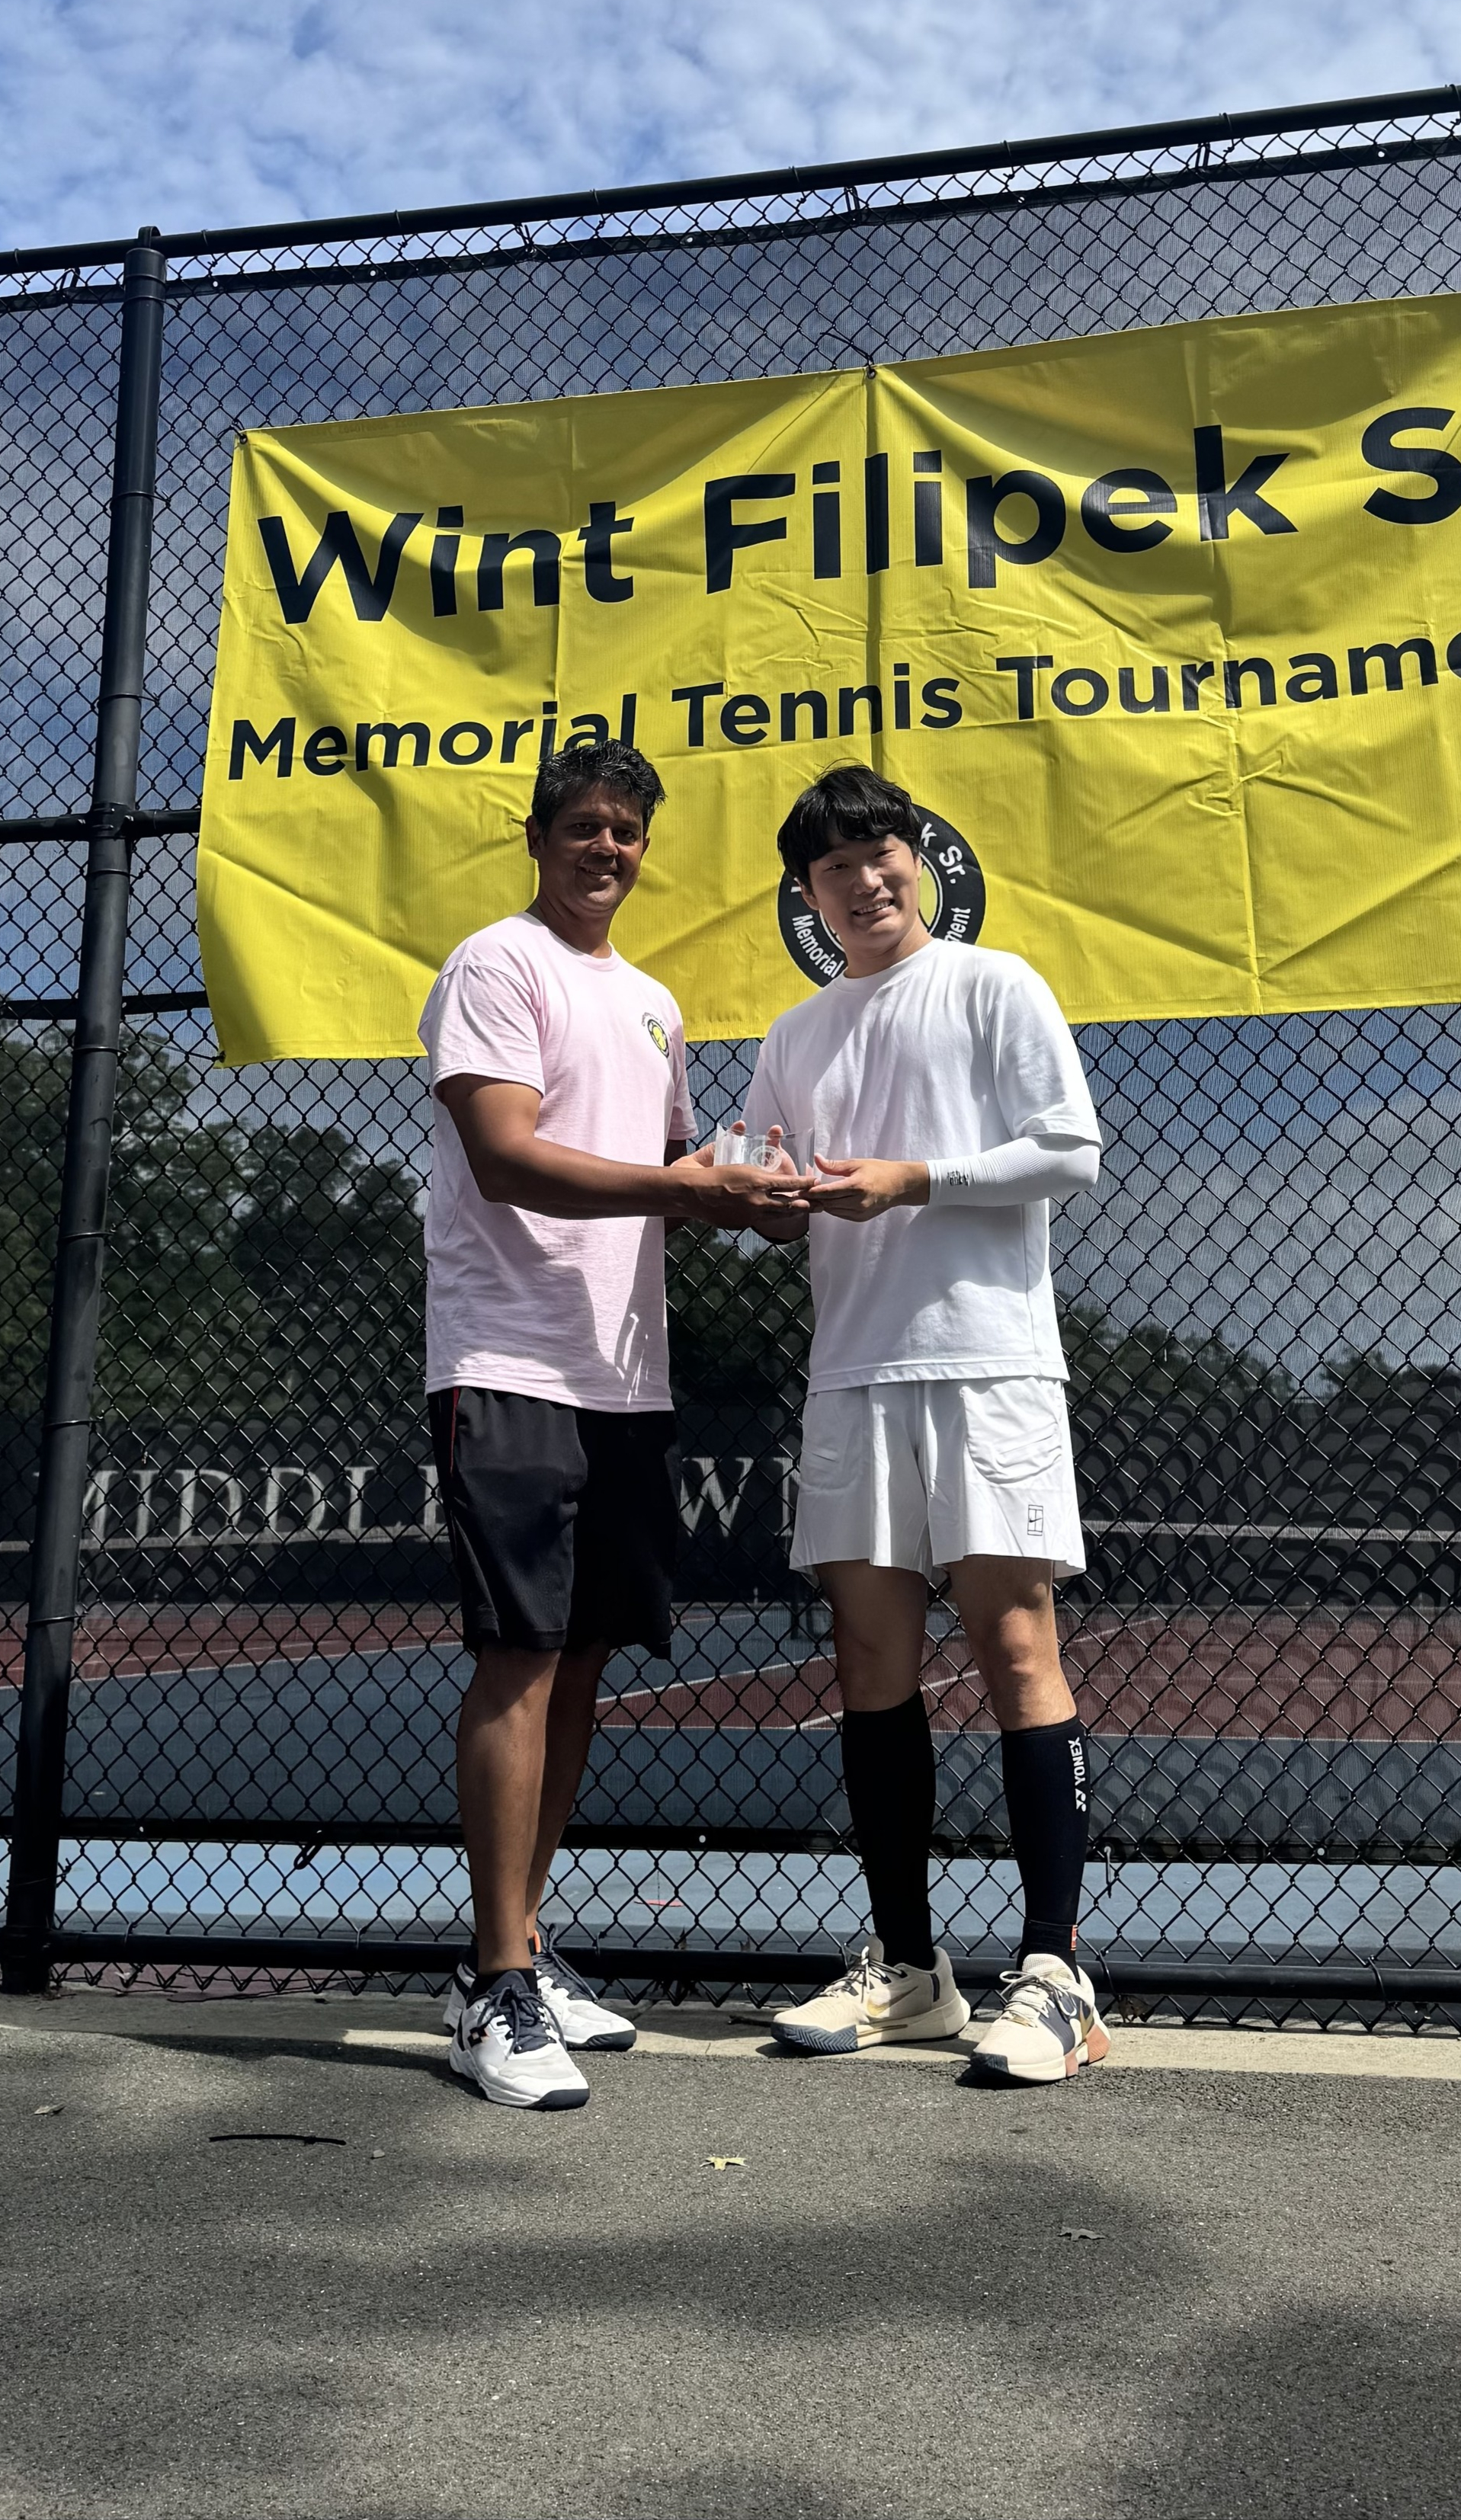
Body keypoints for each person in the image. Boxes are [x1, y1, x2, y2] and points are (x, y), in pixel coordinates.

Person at [422, 739, 802, 2108]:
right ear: (538, 836)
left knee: (582, 1666)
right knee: (520, 1660)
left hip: (623, 1379)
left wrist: (756, 1187)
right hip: (509, 1364)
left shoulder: (653, 1001)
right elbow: (508, 1156)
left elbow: (672, 1172)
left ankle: (516, 1948)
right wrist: (685, 1192)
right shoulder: (494, 965)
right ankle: (493, 1986)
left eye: (626, 832)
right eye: (582, 826)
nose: (606, 849)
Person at [742, 762, 1107, 2083]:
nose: (865, 880)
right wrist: (763, 1200)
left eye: (881, 853)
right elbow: (770, 1180)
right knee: (870, 1670)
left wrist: (914, 1179)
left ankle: (1056, 1975)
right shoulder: (797, 1031)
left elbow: (1069, 1151)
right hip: (852, 1374)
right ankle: (909, 1972)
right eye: (836, 868)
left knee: (1016, 1649)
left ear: (920, 860)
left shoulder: (994, 984)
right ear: (812, 894)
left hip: (991, 1366)